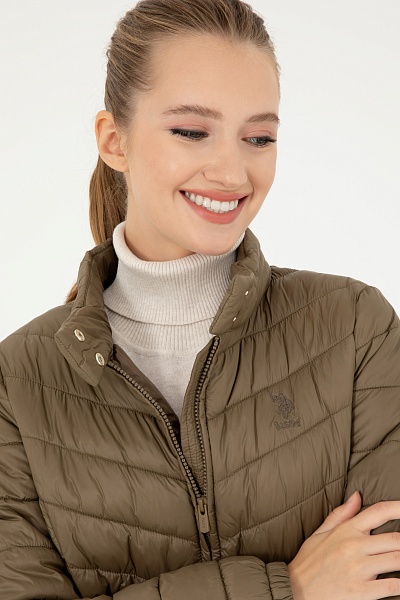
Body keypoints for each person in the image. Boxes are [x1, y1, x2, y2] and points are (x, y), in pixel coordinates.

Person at [1, 0, 400, 598]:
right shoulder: (17, 383)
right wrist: (287, 588)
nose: (233, 173)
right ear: (114, 140)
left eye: (258, 137)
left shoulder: (354, 328)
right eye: (191, 132)